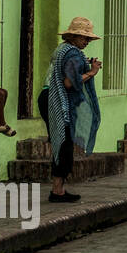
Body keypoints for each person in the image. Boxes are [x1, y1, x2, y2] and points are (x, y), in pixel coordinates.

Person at [43, 17, 102, 203]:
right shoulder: (74, 54)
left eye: (88, 38)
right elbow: (69, 82)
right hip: (58, 100)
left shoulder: (62, 50)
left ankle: (58, 188)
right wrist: (91, 72)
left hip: (48, 96)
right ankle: (57, 190)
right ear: (73, 37)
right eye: (84, 38)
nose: (87, 41)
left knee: (60, 142)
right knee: (64, 144)